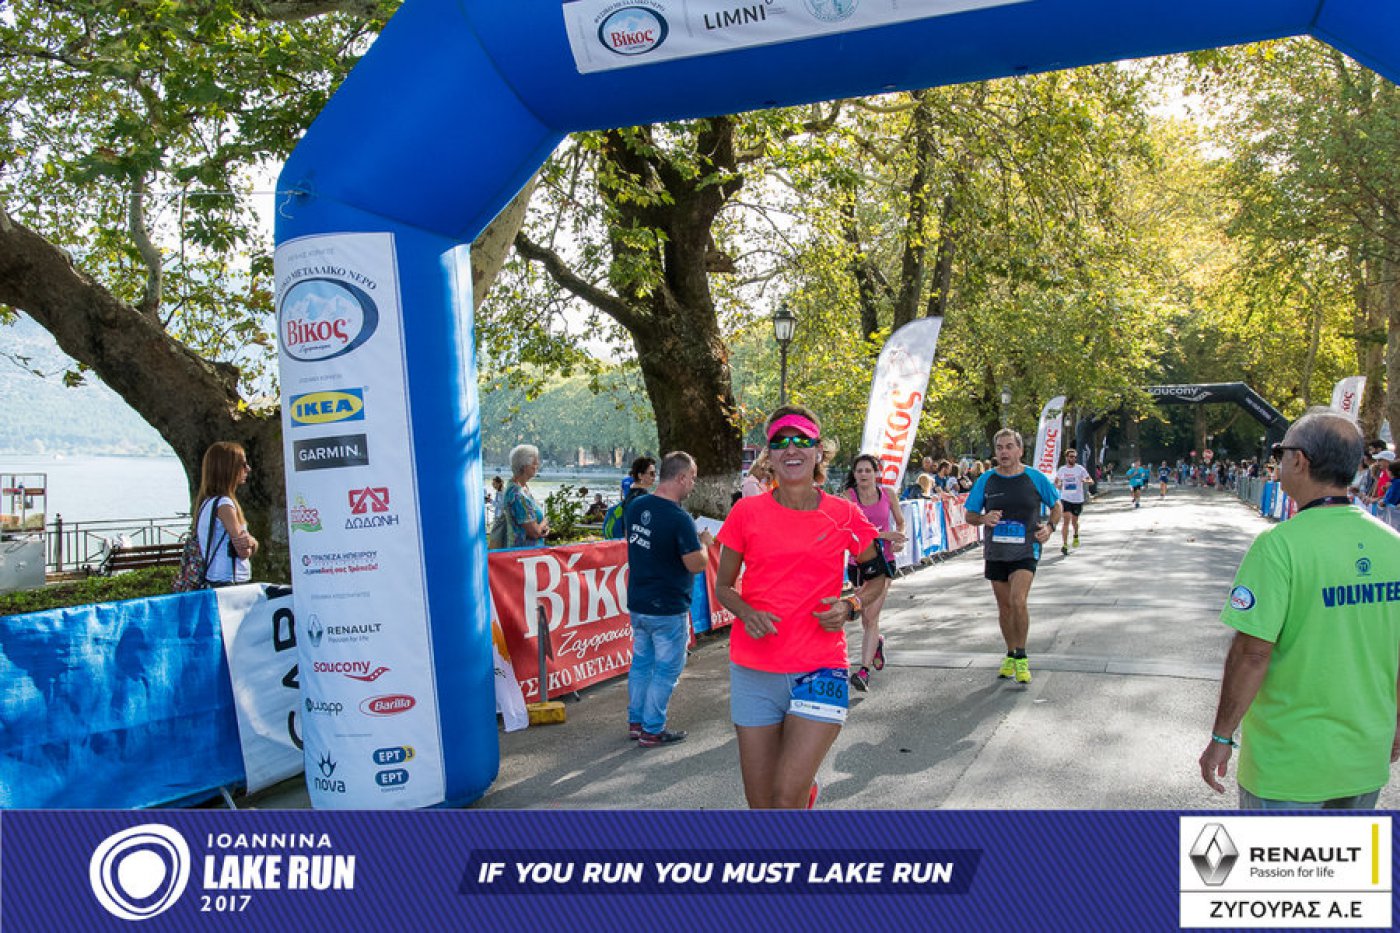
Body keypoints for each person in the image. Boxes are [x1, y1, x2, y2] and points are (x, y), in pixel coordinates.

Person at [1199, 409, 1400, 808]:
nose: (1277, 460)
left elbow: (1252, 654)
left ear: (1300, 461)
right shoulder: (1392, 544)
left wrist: (1222, 736)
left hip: (1287, 765)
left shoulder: (1278, 546)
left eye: (1280, 451)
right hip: (1364, 759)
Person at [715, 405, 882, 809]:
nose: (791, 449)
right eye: (780, 442)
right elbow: (723, 586)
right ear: (769, 456)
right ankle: (805, 795)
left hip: (820, 666)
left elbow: (878, 576)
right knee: (761, 806)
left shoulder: (843, 514)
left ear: (818, 451)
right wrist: (746, 612)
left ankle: (799, 797)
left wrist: (850, 605)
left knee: (785, 798)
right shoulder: (746, 512)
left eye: (802, 441)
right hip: (755, 670)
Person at [625, 452, 713, 748]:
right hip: (668, 606)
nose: (693, 484)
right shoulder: (679, 518)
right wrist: (704, 544)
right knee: (666, 669)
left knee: (641, 664)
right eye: (693, 478)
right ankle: (652, 728)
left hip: (639, 601)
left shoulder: (636, 506)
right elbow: (695, 564)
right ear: (681, 477)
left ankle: (636, 721)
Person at [964, 428, 1062, 685]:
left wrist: (1050, 527)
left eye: (1009, 447)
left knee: (1018, 600)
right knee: (1005, 606)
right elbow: (969, 515)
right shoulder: (986, 479)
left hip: (1026, 549)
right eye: (1000, 448)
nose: (1004, 452)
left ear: (1020, 450)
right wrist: (984, 518)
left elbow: (1056, 506)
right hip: (996, 551)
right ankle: (1010, 652)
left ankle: (1022, 655)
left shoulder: (1035, 477)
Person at [842, 454, 908, 692]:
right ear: (854, 474)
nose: (863, 475)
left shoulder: (888, 494)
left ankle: (864, 671)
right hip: (858, 562)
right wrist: (882, 535)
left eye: (868, 471)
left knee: (871, 617)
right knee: (865, 617)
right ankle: (876, 642)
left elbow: (900, 523)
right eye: (859, 471)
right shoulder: (848, 498)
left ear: (876, 473)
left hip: (884, 562)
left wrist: (898, 539)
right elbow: (849, 529)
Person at [194, 441, 258, 586]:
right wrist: (253, 542)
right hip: (231, 580)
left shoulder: (207, 502)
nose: (248, 469)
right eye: (243, 464)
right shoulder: (225, 505)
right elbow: (243, 551)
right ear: (228, 469)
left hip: (214, 577)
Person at [504, 444, 549, 547]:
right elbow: (534, 532)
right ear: (524, 466)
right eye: (534, 463)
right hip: (523, 552)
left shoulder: (522, 488)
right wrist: (545, 522)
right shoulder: (517, 495)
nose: (537, 465)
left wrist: (543, 527)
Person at [1053, 446, 1092, 556]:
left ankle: (1075, 535)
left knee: (1074, 521)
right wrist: (1058, 485)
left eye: (1075, 457)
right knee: (1066, 520)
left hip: (1078, 499)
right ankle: (1065, 545)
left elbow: (1091, 480)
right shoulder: (1062, 470)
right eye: (1071, 456)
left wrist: (1085, 480)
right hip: (1065, 498)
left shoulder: (1080, 469)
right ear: (1066, 458)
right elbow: (1056, 481)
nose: (1073, 458)